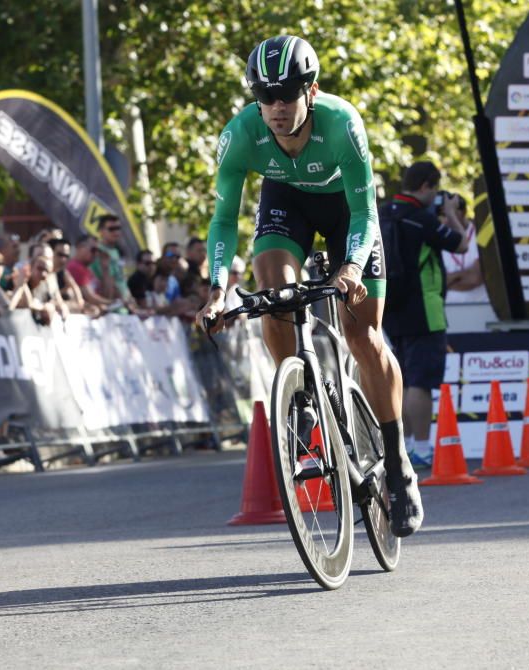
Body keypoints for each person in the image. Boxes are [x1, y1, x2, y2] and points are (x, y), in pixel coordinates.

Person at [196, 35, 422, 537]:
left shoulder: (343, 123)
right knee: (273, 294)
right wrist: (217, 288)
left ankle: (397, 461)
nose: (276, 107)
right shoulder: (240, 134)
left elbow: (365, 212)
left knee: (363, 336)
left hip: (347, 213)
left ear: (311, 91)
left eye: (286, 95)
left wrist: (351, 267)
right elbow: (223, 220)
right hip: (287, 203)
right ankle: (298, 396)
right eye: (265, 95)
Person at [380, 161, 468, 467]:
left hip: (389, 306)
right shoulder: (420, 218)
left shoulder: (382, 212)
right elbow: (461, 244)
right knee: (420, 382)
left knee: (401, 380)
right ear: (426, 186)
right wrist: (453, 214)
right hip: (424, 309)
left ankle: (402, 446)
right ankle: (421, 448)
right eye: (435, 189)